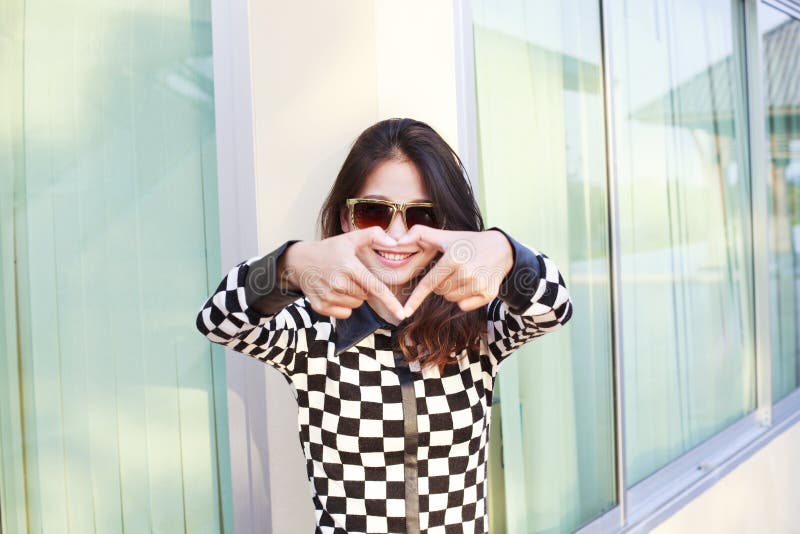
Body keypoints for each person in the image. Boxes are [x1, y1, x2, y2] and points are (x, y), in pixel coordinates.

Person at [195, 118, 573, 534]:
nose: (396, 235)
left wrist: (506, 252)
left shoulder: (475, 324)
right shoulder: (310, 330)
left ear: (445, 225)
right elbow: (218, 321)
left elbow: (554, 309)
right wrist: (290, 265)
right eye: (373, 212)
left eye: (421, 215)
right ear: (345, 218)